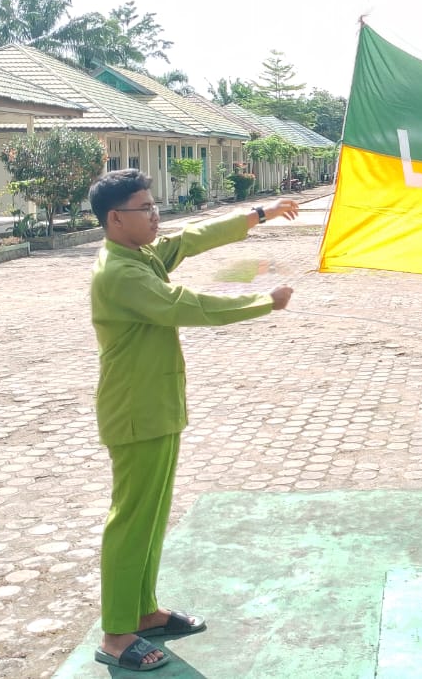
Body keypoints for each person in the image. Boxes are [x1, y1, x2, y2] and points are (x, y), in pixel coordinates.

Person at [87, 169, 298, 671]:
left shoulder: (139, 254)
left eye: (154, 205)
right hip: (135, 410)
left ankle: (142, 610)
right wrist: (261, 301)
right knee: (131, 520)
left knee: (153, 517)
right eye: (145, 208)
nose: (156, 214)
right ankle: (116, 635)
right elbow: (184, 305)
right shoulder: (120, 272)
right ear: (116, 219)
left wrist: (258, 214)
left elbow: (192, 238)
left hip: (156, 405)